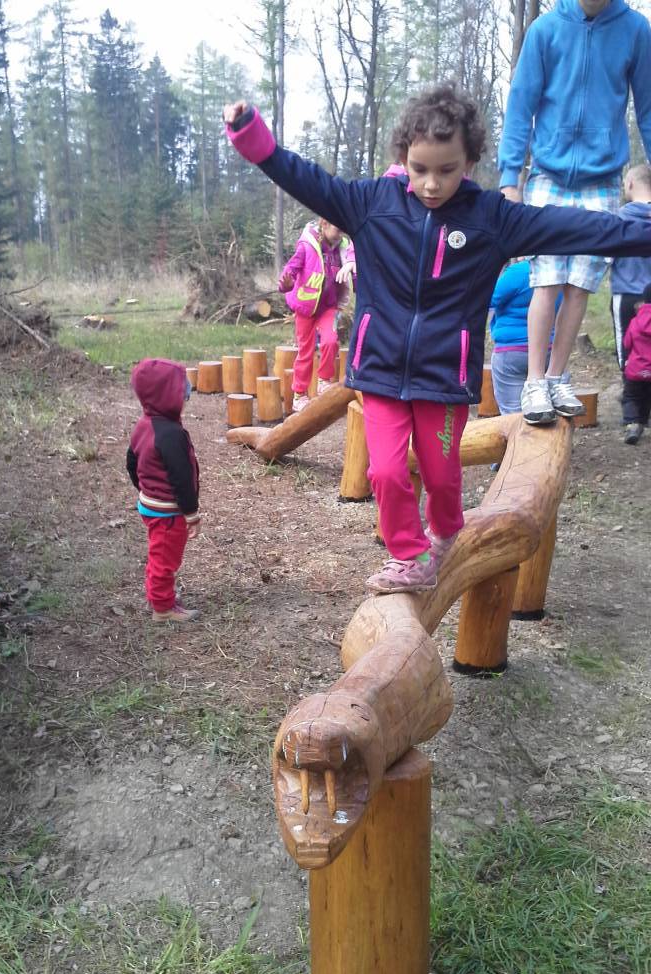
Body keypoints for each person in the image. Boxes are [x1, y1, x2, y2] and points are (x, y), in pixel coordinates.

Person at [223, 83, 651, 594]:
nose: (431, 184)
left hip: (444, 377)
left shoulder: (492, 218)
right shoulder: (370, 204)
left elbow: (576, 228)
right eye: (419, 168)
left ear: (469, 161)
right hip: (380, 372)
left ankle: (447, 531)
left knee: (441, 474)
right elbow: (301, 177)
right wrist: (250, 134)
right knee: (385, 472)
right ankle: (410, 556)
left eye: (447, 170)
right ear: (403, 157)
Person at [498, 0, 651, 426]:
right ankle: (534, 380)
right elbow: (520, 105)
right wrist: (510, 178)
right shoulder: (545, 30)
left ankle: (556, 376)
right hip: (548, 173)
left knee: (579, 284)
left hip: (602, 178)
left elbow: (648, 110)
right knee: (546, 279)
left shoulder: (635, 30)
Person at [126, 358, 202, 622]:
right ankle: (163, 608)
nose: (186, 393)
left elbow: (131, 462)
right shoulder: (171, 434)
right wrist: (191, 513)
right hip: (168, 512)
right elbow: (182, 478)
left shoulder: (144, 425)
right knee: (164, 559)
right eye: (181, 388)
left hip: (151, 506)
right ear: (166, 395)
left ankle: (160, 594)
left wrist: (146, 489)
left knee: (159, 552)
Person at [279, 218, 349, 412]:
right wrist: (285, 284)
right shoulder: (307, 245)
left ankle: (324, 380)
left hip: (328, 307)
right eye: (338, 229)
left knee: (331, 341)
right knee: (306, 351)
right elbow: (291, 269)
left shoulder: (342, 247)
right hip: (306, 308)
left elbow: (352, 266)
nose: (341, 234)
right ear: (324, 224)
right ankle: (299, 394)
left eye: (343, 231)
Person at [488, 259, 563, 414]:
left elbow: (487, 300)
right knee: (548, 413)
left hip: (511, 352)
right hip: (549, 351)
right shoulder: (560, 274)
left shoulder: (519, 271)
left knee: (513, 415)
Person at [611, 163, 651, 366]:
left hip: (626, 294)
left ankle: (630, 384)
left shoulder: (618, 218)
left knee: (626, 355)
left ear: (630, 183)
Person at [620, 283, 651, 443]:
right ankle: (643, 421)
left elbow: (627, 343)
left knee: (631, 397)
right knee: (647, 397)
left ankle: (632, 424)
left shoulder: (635, 321)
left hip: (635, 369)